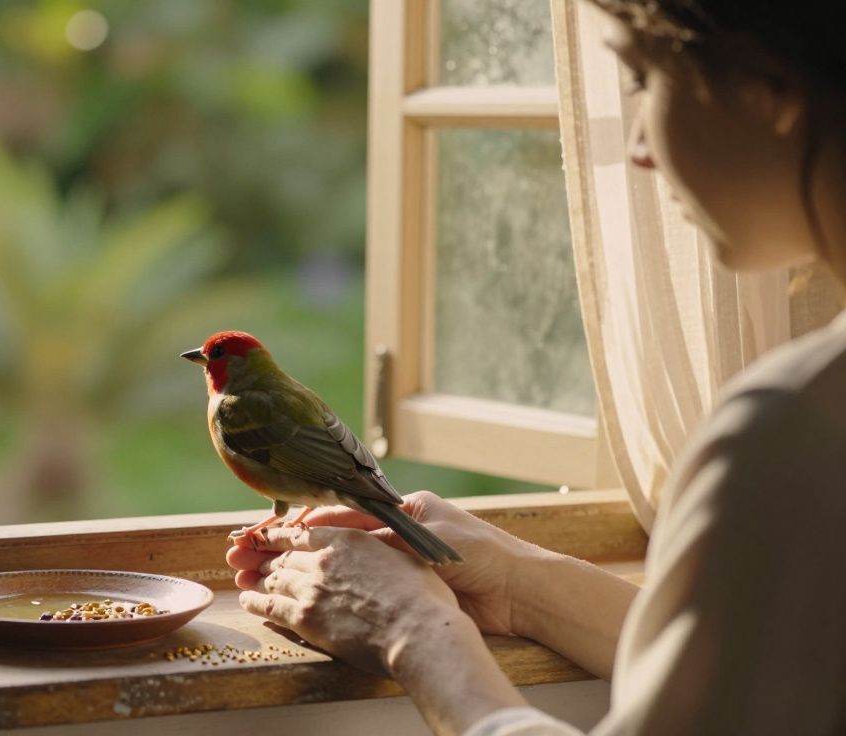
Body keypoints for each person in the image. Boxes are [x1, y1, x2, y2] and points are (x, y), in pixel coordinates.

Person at [225, 1, 846, 733]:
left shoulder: (797, 426)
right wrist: (521, 584)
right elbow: (767, 668)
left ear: (766, 84)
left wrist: (413, 632)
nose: (639, 146)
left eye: (646, 78)